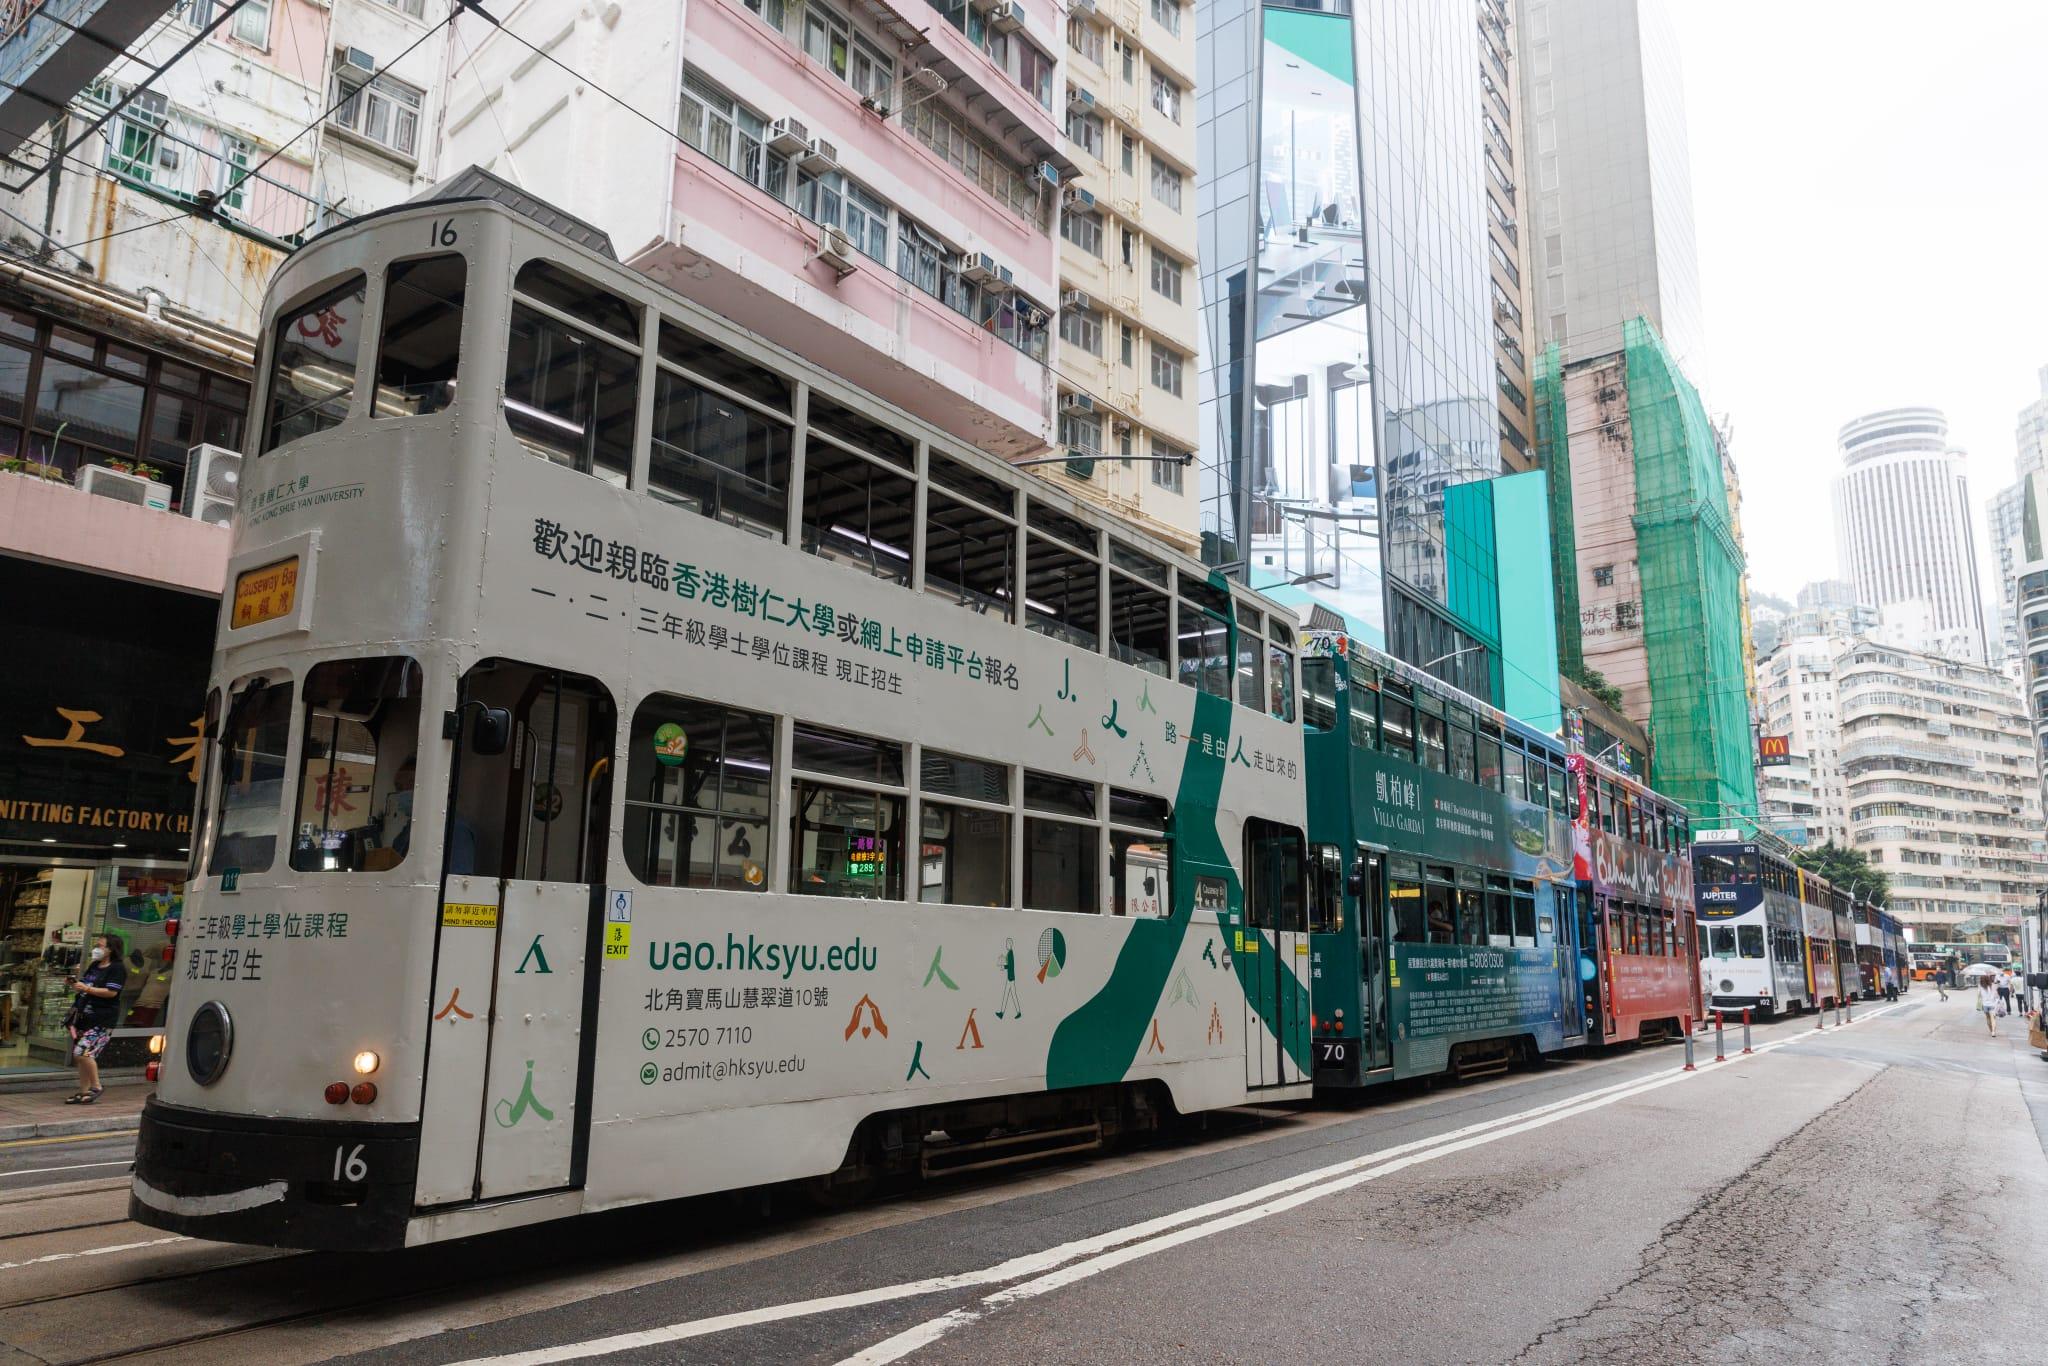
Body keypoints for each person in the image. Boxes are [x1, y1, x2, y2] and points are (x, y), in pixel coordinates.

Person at [64, 932, 127, 1104]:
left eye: (100, 946)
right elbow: (86, 985)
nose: (96, 949)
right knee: (81, 1056)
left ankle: (96, 1086)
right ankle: (83, 1092)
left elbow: (111, 992)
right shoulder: (94, 965)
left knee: (83, 1053)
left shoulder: (117, 968)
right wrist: (76, 985)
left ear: (111, 949)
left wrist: (87, 989)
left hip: (102, 1019)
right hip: (85, 1017)